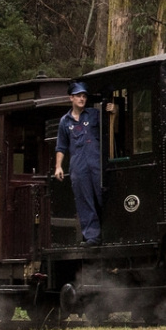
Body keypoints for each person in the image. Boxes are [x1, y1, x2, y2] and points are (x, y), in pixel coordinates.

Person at [53, 81, 103, 244]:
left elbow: (111, 127)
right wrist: (58, 166)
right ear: (71, 98)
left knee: (102, 195)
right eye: (79, 96)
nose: (82, 99)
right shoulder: (64, 121)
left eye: (84, 96)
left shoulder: (94, 114)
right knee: (84, 199)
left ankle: (108, 230)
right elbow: (61, 146)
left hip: (96, 162)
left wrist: (113, 111)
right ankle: (92, 235)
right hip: (78, 165)